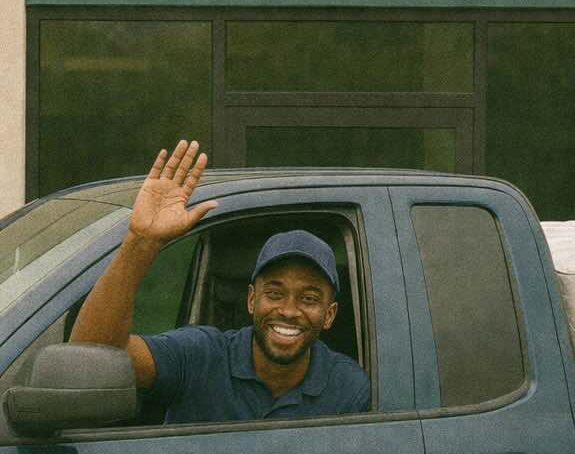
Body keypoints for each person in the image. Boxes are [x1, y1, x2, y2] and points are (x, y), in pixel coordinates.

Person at [70, 139, 370, 422]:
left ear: (329, 315)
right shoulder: (201, 355)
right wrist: (140, 241)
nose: (289, 310)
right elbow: (93, 357)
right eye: (275, 293)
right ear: (252, 299)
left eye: (309, 299)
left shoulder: (348, 387)